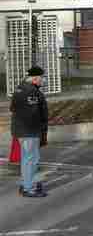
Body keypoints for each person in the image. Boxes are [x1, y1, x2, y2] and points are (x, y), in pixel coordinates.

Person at [10, 66, 48, 198]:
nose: (44, 80)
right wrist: (39, 130)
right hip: (29, 131)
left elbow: (13, 108)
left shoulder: (20, 88)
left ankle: (26, 183)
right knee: (31, 159)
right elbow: (32, 114)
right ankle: (29, 188)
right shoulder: (31, 92)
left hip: (22, 130)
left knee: (27, 159)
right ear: (36, 78)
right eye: (42, 78)